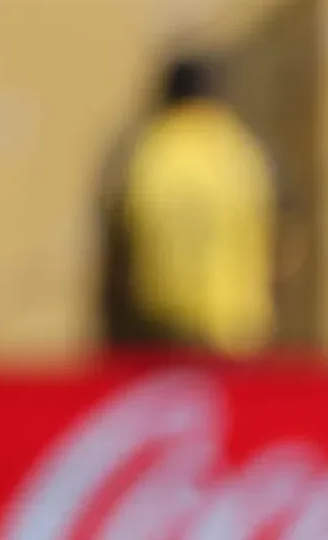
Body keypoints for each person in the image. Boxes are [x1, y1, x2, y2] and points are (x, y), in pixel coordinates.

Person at [111, 57, 278, 357]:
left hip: (163, 315)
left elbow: (127, 227)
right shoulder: (238, 148)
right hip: (236, 321)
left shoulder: (153, 150)